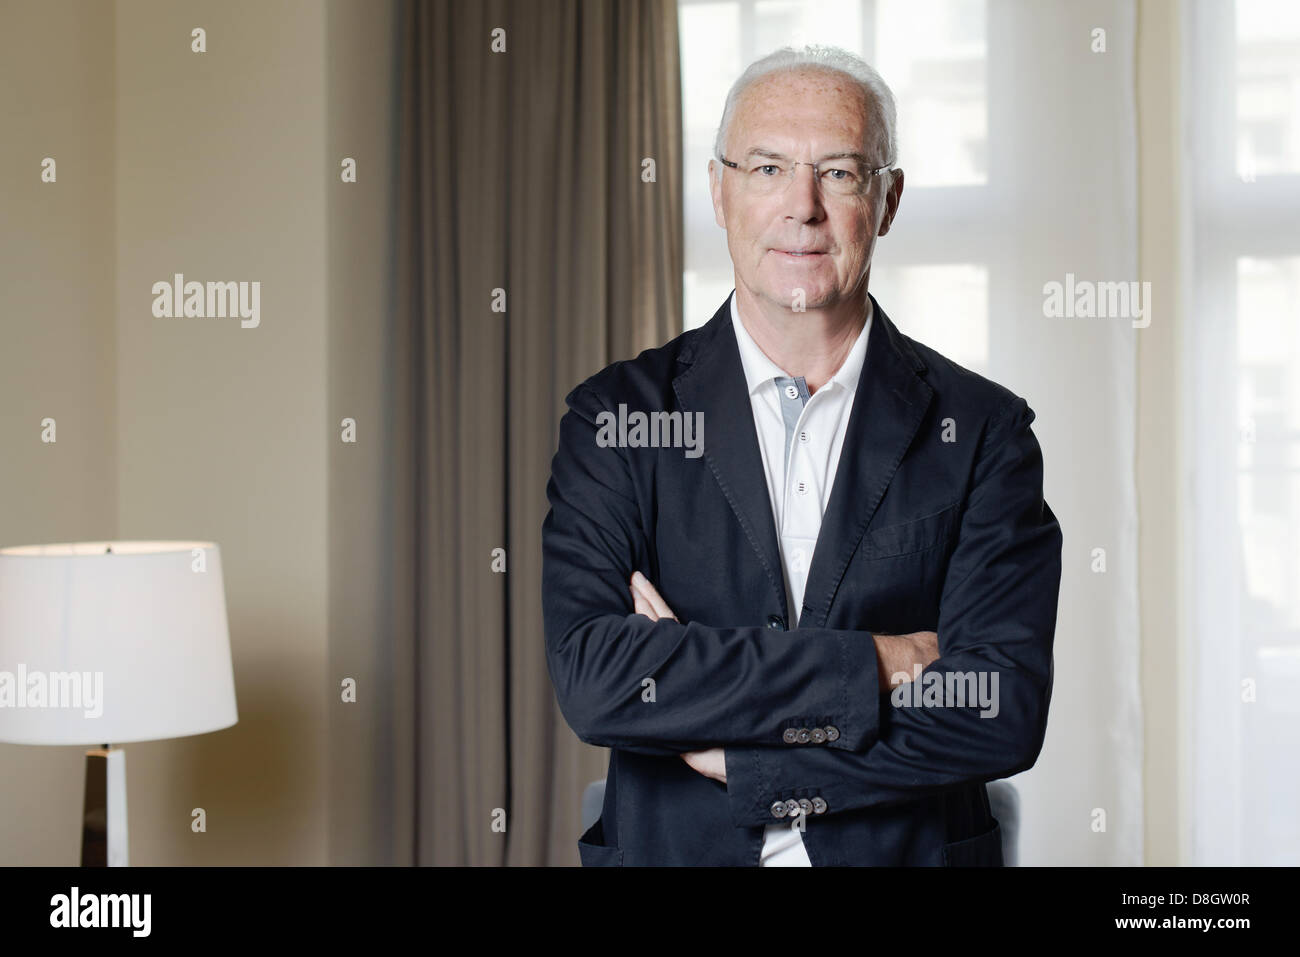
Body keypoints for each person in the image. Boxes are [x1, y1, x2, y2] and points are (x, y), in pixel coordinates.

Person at [541, 45, 1063, 866]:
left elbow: (997, 706)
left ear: (886, 200)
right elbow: (601, 677)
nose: (802, 207)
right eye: (768, 167)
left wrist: (752, 761)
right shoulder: (617, 418)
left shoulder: (985, 432)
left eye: (841, 173)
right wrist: (882, 662)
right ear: (719, 189)